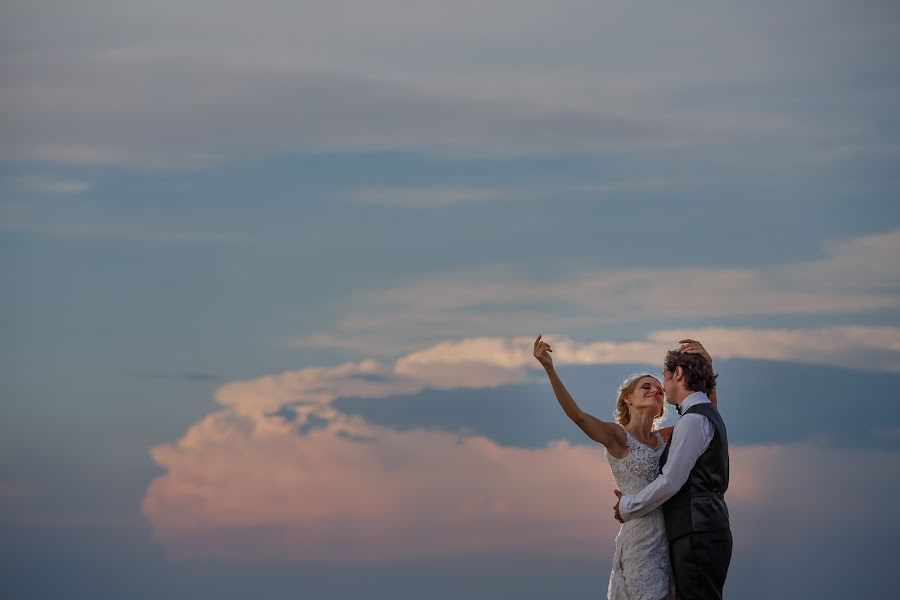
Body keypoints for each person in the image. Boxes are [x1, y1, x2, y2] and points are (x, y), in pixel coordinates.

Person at [533, 335, 715, 600]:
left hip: (672, 540)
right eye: (646, 387)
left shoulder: (667, 437)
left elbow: (706, 418)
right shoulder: (617, 437)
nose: (656, 390)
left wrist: (707, 369)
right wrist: (550, 368)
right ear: (628, 399)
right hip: (639, 542)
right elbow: (578, 416)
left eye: (660, 389)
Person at [613, 348, 731, 600]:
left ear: (678, 373)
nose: (663, 387)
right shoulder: (704, 415)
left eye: (664, 377)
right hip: (704, 529)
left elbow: (670, 481)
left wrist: (628, 507)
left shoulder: (693, 421)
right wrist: (707, 366)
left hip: (696, 533)